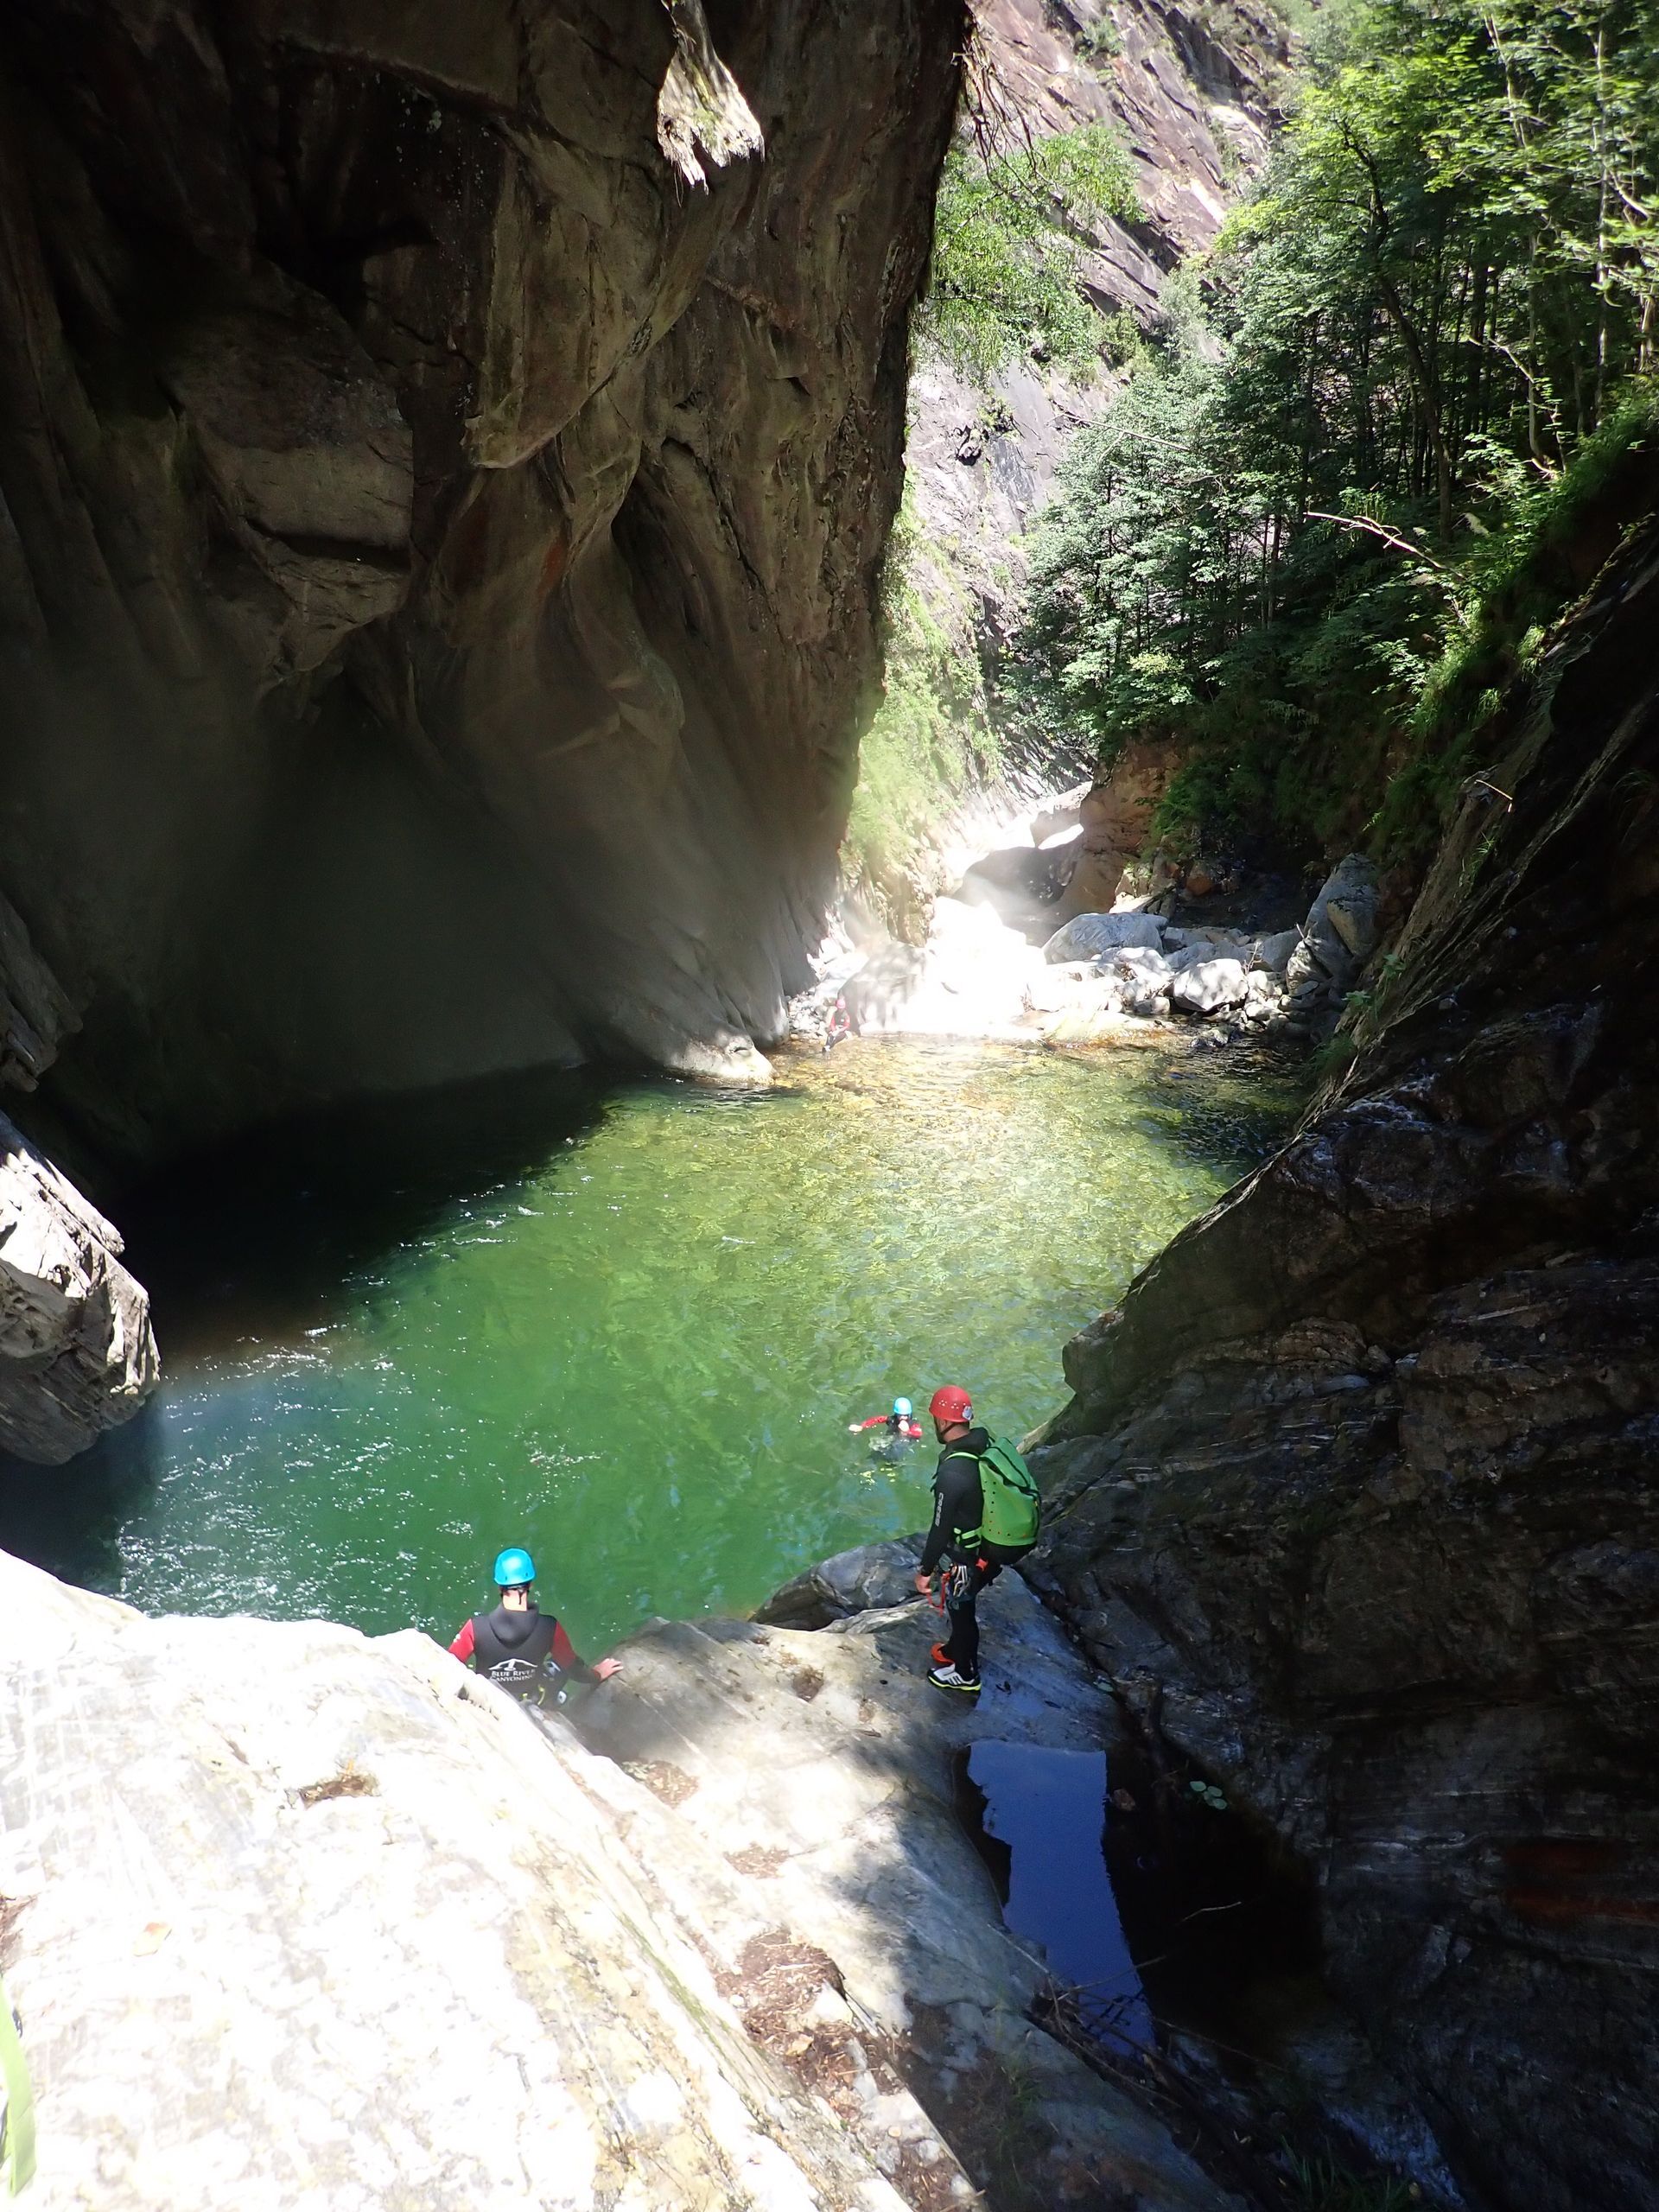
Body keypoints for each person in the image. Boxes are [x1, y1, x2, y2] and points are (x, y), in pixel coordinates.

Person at [912, 1385, 1042, 1697]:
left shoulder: (953, 1471)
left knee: (962, 1610)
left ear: (943, 1422)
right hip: (991, 1547)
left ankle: (966, 1674)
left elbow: (940, 1527)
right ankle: (955, 1649)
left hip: (967, 1558)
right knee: (963, 1605)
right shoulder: (985, 1442)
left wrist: (925, 1570)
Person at [448, 1547, 620, 1709]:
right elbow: (573, 1667)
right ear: (530, 1585)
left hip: (488, 1699)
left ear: (500, 1586)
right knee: (560, 1665)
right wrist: (596, 1675)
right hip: (530, 1699)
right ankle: (552, 1700)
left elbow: (450, 1663)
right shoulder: (550, 1627)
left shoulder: (475, 1628)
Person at [848, 1395, 923, 1444]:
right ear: (896, 1414)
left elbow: (918, 1434)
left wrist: (907, 1431)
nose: (903, 1417)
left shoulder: (913, 1424)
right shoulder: (892, 1420)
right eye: (900, 1415)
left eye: (906, 1415)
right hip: (890, 1440)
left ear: (910, 1414)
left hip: (903, 1444)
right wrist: (862, 1426)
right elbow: (876, 1419)